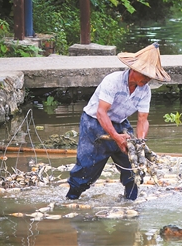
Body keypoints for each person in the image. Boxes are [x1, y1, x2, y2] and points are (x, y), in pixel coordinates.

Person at [66, 43, 171, 200]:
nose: (147, 79)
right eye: (145, 75)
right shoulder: (113, 81)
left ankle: (130, 204)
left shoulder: (145, 90)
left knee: (133, 168)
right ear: (134, 70)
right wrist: (116, 137)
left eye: (150, 77)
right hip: (93, 122)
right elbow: (101, 113)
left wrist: (140, 142)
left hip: (120, 123)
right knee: (87, 168)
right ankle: (71, 199)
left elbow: (143, 119)